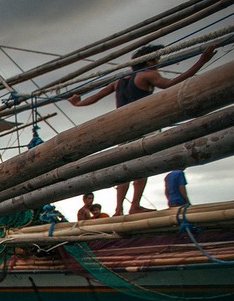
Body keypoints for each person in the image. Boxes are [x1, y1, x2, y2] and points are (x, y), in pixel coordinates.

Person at [69, 43, 216, 214]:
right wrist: (201, 61)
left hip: (122, 129)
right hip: (142, 125)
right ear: (148, 61)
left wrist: (77, 103)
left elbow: (95, 97)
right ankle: (135, 206)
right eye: (157, 59)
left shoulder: (119, 81)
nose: (159, 63)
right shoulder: (148, 75)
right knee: (141, 165)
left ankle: (118, 209)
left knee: (124, 167)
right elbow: (171, 84)